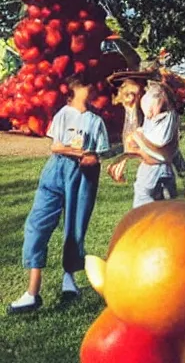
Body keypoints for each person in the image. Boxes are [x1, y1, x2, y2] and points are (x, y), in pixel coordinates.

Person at [8, 76, 109, 314]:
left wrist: (93, 157)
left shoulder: (96, 121)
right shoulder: (63, 114)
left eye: (89, 84)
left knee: (75, 227)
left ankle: (69, 279)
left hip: (83, 175)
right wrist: (77, 151)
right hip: (56, 170)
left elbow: (100, 152)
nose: (90, 87)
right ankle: (32, 292)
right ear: (72, 92)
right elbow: (55, 146)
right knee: (36, 225)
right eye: (84, 84)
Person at [129, 82, 180, 208]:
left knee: (143, 198)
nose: (149, 115)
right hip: (163, 168)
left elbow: (159, 142)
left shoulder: (167, 118)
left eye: (151, 110)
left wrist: (138, 137)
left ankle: (145, 221)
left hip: (154, 168)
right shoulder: (159, 119)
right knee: (164, 201)